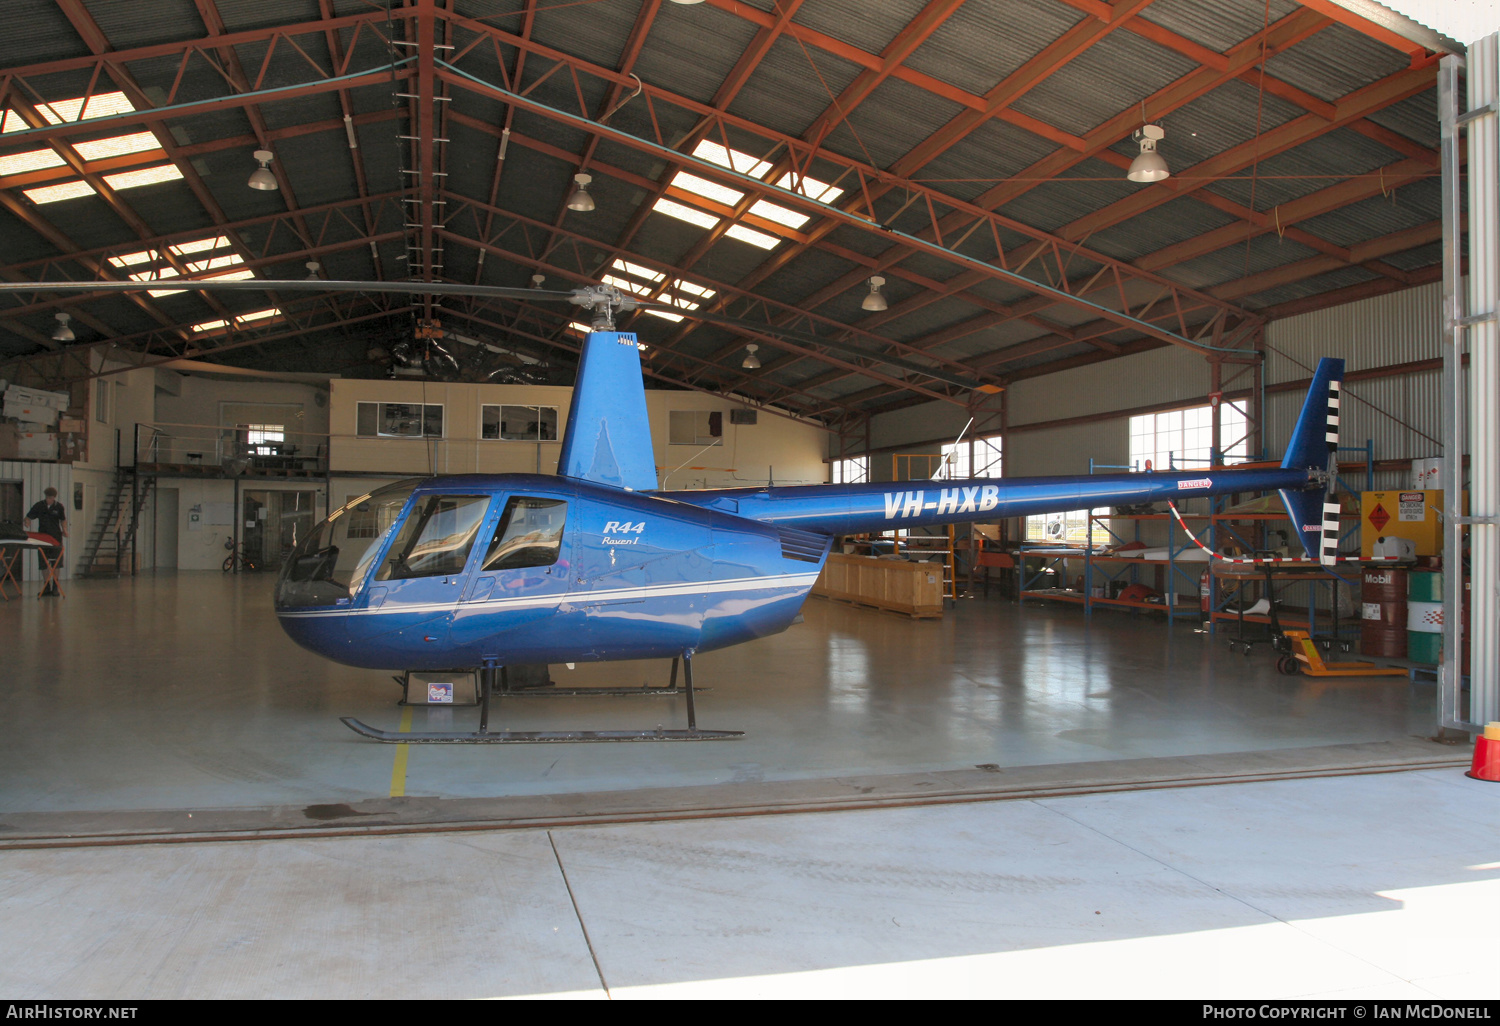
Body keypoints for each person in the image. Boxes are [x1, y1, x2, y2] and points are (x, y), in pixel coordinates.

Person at [23, 486, 67, 596]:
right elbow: (28, 517)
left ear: (54, 498)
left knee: (56, 563)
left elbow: (63, 520)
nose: (49, 500)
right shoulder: (39, 506)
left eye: (51, 498)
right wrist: (27, 522)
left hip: (56, 538)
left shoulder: (59, 507)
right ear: (45, 496)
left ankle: (55, 587)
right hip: (42, 538)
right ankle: (46, 586)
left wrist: (64, 530)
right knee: (43, 562)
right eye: (48, 497)